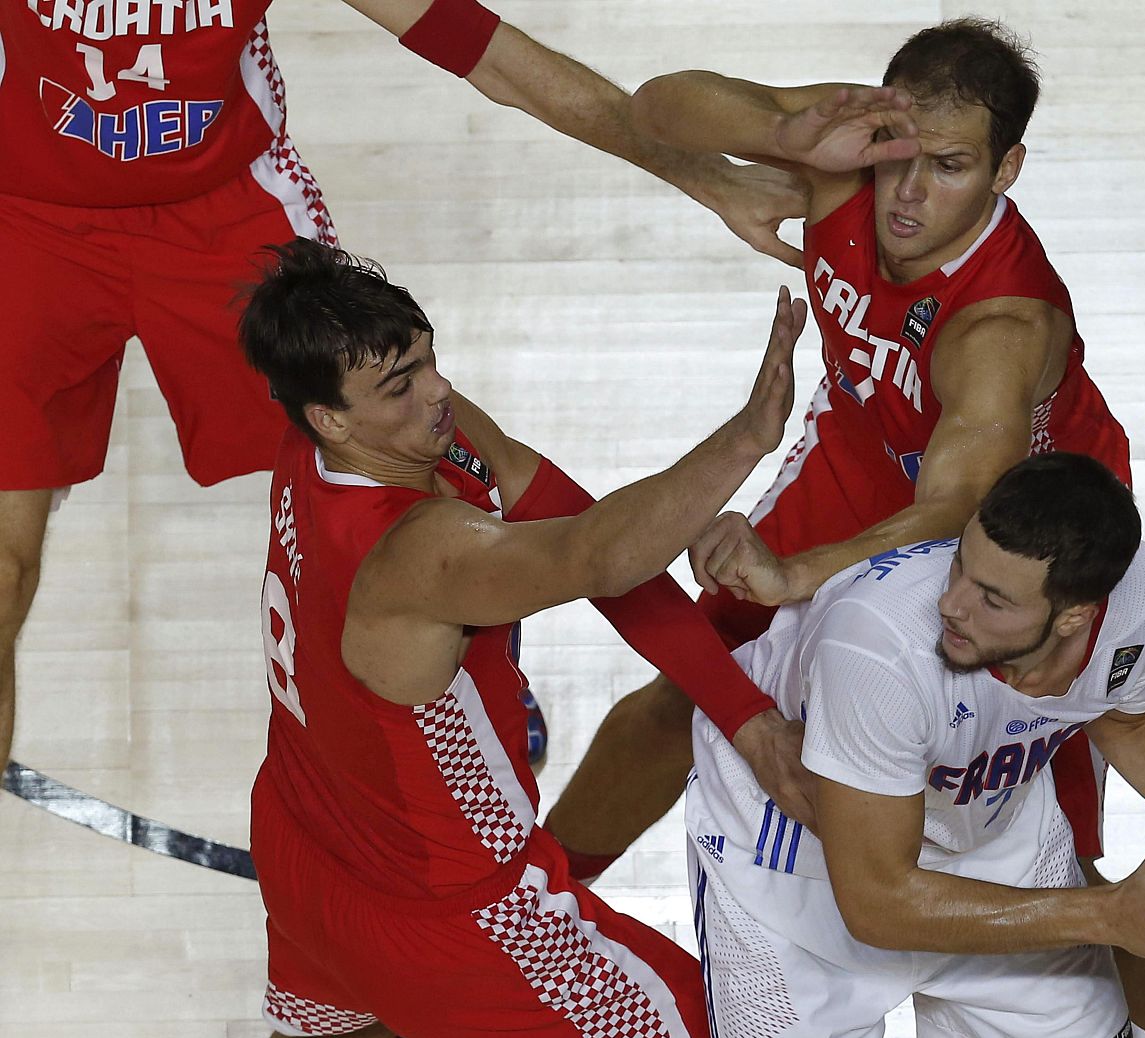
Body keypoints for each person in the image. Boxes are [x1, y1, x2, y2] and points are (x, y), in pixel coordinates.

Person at [541, 19, 1145, 1038]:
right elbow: (659, 102)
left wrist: (797, 572)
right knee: (677, 706)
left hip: (1014, 528)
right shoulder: (857, 144)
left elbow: (956, 501)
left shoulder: (998, 326)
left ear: (1005, 171)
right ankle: (530, 909)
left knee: (1037, 850)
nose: (907, 194)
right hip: (864, 457)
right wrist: (787, 129)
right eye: (900, 158)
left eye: (949, 169)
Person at [0, 0, 804, 773]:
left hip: (226, 215)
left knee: (433, 449)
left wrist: (705, 175)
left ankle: (485, 634)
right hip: (22, 214)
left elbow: (494, 56)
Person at [238, 238, 803, 1038]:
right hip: (448, 912)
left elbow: (598, 547)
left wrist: (745, 717)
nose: (438, 394)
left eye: (428, 359)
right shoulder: (417, 552)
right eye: (402, 386)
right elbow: (598, 557)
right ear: (333, 416)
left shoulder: (320, 442)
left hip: (308, 842)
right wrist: (748, 438)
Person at [684, 454, 1145, 1038]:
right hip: (793, 864)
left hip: (984, 831)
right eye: (959, 566)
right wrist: (1110, 913)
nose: (952, 603)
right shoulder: (877, 647)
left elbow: (1132, 714)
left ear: (1075, 616)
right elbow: (877, 901)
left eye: (993, 598)